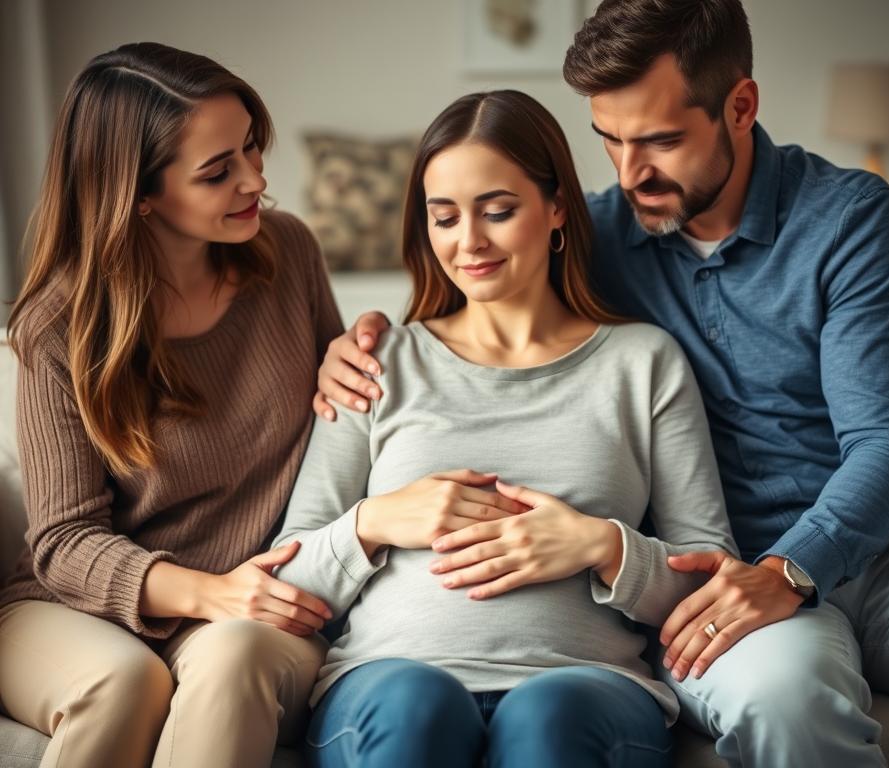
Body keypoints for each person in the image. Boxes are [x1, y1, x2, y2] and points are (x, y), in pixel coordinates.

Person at [314, 1, 889, 766]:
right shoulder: (597, 233)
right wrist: (360, 344)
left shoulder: (846, 219)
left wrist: (792, 569)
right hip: (712, 577)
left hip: (881, 553)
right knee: (789, 701)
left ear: (740, 107)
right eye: (611, 141)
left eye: (660, 140)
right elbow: (480, 275)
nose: (631, 174)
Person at [273, 89, 736, 768]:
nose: (469, 243)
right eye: (445, 218)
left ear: (555, 211)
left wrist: (601, 547)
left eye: (497, 211)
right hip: (385, 680)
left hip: (586, 688)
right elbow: (287, 576)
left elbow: (707, 576)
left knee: (551, 717)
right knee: (415, 708)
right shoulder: (375, 363)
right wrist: (375, 522)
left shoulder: (643, 362)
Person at [0, 43, 343, 768]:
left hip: (248, 606)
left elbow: (346, 417)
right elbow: (62, 543)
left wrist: (366, 348)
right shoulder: (59, 326)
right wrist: (210, 592)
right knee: (121, 682)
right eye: (218, 171)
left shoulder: (289, 255)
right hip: (74, 606)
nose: (256, 179)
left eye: (251, 147)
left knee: (229, 661)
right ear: (139, 193)